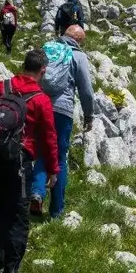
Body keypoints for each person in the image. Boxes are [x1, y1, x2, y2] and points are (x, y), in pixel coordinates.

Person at [0, 49, 59, 273]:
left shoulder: (0, 88)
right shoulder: (41, 100)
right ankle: (11, 267)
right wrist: (53, 171)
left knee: (2, 205)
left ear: (24, 65)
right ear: (42, 70)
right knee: (18, 215)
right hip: (19, 163)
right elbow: (49, 138)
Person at [30, 25, 94, 219]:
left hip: (40, 105)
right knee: (59, 156)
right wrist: (89, 115)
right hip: (62, 110)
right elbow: (86, 91)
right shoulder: (78, 56)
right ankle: (56, 210)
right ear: (79, 41)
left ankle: (36, 192)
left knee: (41, 151)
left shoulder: (46, 49)